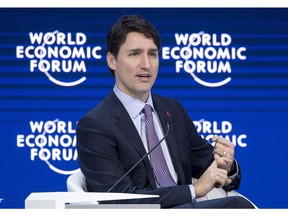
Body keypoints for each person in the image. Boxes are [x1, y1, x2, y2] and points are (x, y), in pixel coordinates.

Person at [76, 14, 255, 208]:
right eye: (134, 54)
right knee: (236, 206)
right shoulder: (95, 125)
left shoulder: (172, 111)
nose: (146, 64)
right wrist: (193, 191)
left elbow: (209, 165)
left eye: (152, 54)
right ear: (112, 61)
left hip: (188, 208)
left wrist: (227, 166)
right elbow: (118, 200)